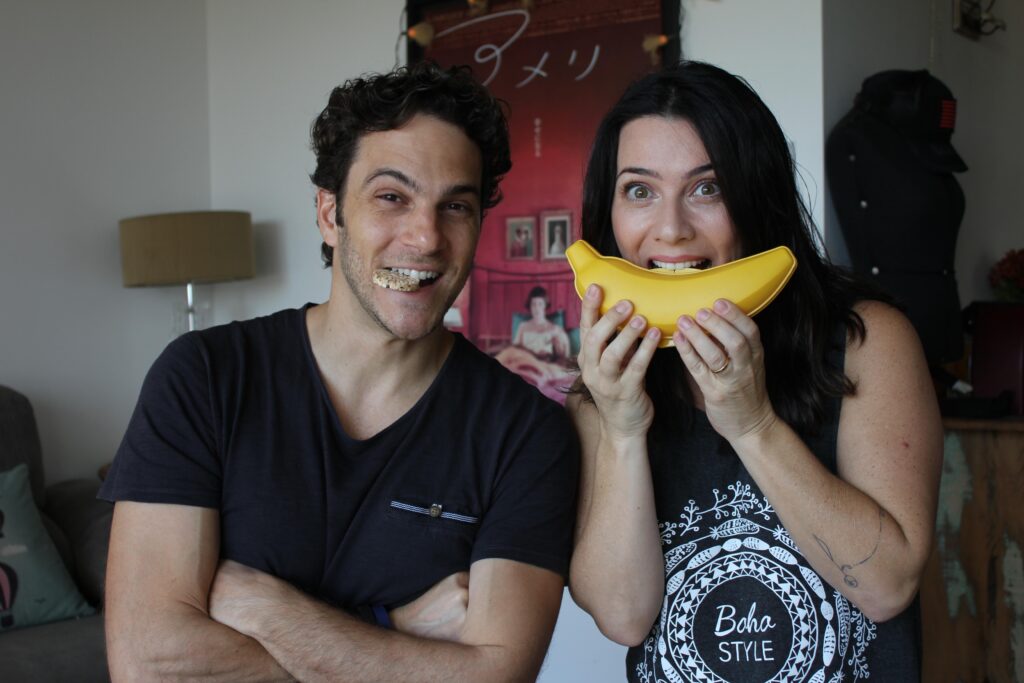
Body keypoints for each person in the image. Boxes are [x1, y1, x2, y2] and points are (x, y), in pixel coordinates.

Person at [99, 61, 578, 682]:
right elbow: (149, 666)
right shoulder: (205, 377)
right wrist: (392, 626)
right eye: (392, 197)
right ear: (330, 214)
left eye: (455, 206)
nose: (426, 237)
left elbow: (494, 677)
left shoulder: (527, 432)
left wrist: (266, 609)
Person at [567, 61, 941, 682]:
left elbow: (887, 586)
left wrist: (754, 425)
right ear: (609, 213)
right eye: (639, 191)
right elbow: (623, 619)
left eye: (707, 188)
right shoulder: (602, 390)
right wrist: (623, 430)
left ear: (756, 196)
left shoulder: (867, 341)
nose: (671, 229)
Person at [496, 286, 574, 403]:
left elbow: (564, 356)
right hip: (522, 359)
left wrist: (554, 350)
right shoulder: (523, 326)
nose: (537, 308)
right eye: (534, 304)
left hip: (543, 364)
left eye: (540, 304)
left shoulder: (555, 330)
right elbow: (515, 347)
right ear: (530, 306)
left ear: (545, 306)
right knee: (508, 356)